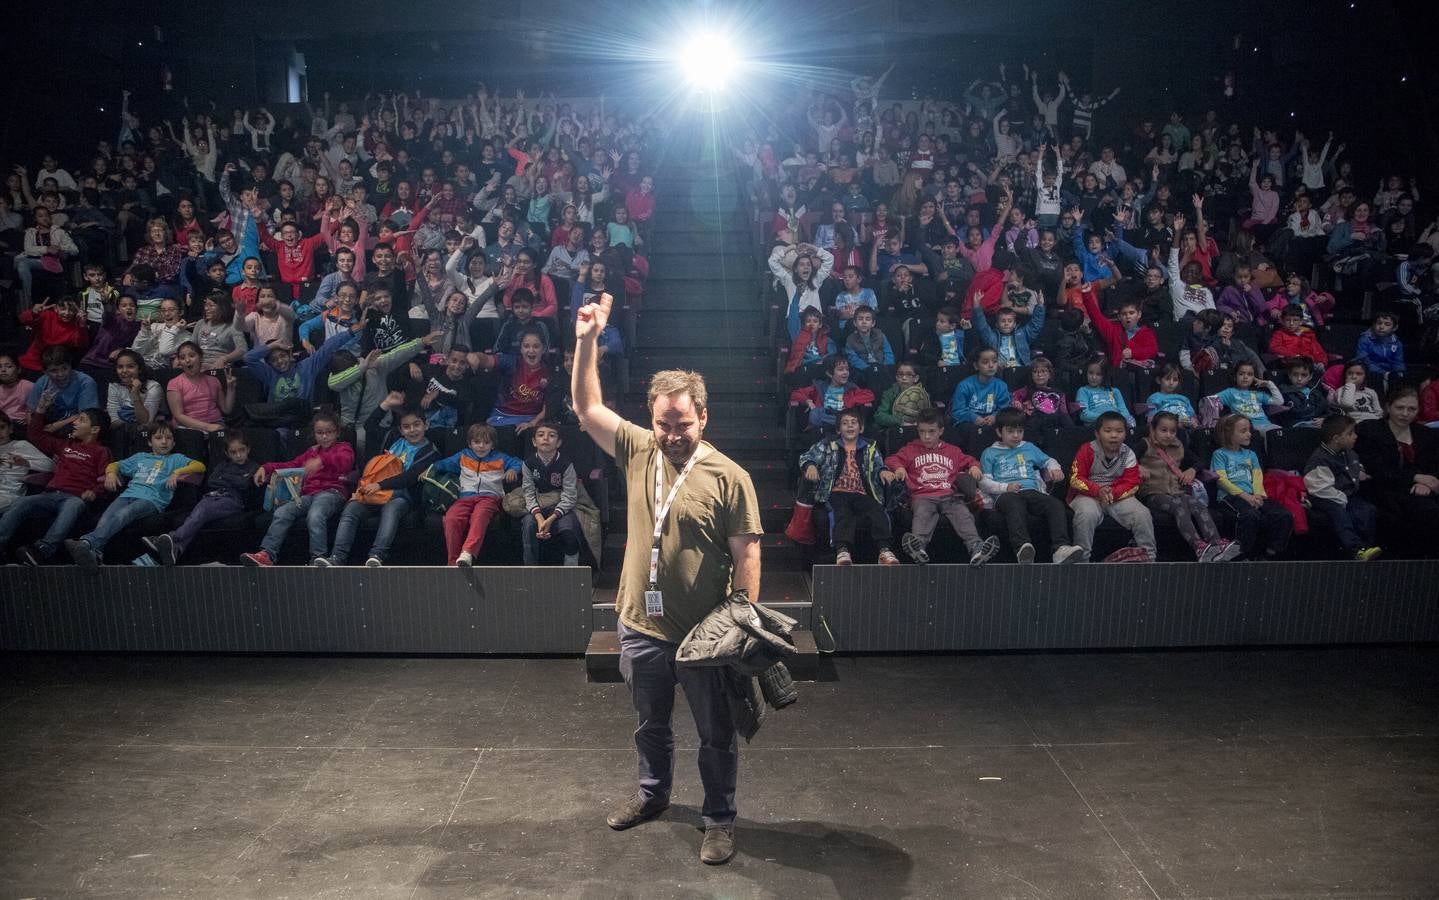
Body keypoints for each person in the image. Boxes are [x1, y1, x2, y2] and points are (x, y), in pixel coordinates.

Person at [571, 289, 763, 865]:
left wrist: (741, 624)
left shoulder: (729, 477)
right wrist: (587, 342)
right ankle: (653, 795)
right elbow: (586, 406)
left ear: (703, 417)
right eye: (663, 424)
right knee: (649, 724)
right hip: (641, 626)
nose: (672, 434)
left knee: (715, 735)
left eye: (682, 424)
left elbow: (748, 554)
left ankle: (718, 818)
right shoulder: (638, 450)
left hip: (705, 636)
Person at [65, 422, 205, 566]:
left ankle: (87, 542)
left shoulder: (176, 458)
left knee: (124, 513)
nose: (164, 442)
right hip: (127, 495)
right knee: (105, 519)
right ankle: (95, 553)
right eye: (158, 438)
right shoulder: (140, 457)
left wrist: (177, 472)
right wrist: (111, 474)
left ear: (174, 443)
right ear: (150, 442)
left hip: (152, 499)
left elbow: (200, 466)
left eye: (168, 438)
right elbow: (115, 465)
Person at [322, 398, 439, 567]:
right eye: (406, 427)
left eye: (417, 425)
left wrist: (379, 485)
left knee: (392, 508)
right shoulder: (393, 437)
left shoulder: (430, 452)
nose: (412, 430)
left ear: (426, 425)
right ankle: (337, 557)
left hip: (402, 496)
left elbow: (409, 477)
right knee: (352, 508)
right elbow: (370, 425)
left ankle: (377, 555)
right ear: (401, 430)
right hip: (374, 492)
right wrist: (386, 404)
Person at [884, 408, 998, 566]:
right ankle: (918, 548)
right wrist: (899, 467)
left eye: (931, 431)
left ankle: (976, 547)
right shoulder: (910, 449)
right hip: (922, 496)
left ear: (941, 431)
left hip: (949, 496)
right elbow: (891, 459)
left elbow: (970, 460)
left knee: (963, 514)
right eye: (922, 431)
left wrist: (974, 466)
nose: (926, 436)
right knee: (922, 514)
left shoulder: (952, 451)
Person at [241, 411, 355, 567]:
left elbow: (345, 461)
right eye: (320, 432)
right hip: (308, 495)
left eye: (329, 432)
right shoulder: (311, 452)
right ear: (314, 433)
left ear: (337, 432)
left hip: (332, 492)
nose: (324, 436)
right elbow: (291, 465)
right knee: (282, 512)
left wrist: (321, 460)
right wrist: (266, 467)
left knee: (315, 514)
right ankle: (267, 554)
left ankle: (317, 557)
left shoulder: (344, 448)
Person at [0, 404, 110, 565]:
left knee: (73, 505)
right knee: (22, 502)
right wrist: (40, 411)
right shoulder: (66, 445)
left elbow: (105, 478)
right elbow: (36, 436)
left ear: (94, 429)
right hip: (50, 494)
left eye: (81, 420)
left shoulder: (101, 451)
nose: (74, 422)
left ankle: (43, 549)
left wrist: (95, 492)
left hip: (75, 497)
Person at [978, 408, 1083, 564]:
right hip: (1005, 495)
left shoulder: (1028, 447)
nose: (1016, 435)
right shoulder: (990, 452)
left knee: (1055, 505)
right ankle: (1022, 548)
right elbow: (984, 483)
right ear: (999, 432)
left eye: (1020, 431)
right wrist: (1005, 488)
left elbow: (1049, 461)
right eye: (1010, 431)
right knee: (1015, 504)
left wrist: (1055, 469)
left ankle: (1061, 548)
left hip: (1031, 491)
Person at [796, 407, 897, 566]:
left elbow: (878, 465)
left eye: (853, 422)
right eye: (845, 423)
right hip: (836, 491)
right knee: (842, 512)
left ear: (861, 428)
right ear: (838, 429)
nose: (850, 426)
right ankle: (842, 549)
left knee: (877, 510)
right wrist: (810, 465)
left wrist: (883, 471)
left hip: (862, 492)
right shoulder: (828, 444)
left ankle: (884, 550)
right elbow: (806, 456)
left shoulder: (870, 447)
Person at [143, 432, 259, 566]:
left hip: (234, 500)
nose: (238, 455)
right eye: (233, 452)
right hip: (212, 496)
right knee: (197, 515)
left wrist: (224, 477)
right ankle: (176, 548)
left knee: (202, 512)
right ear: (227, 453)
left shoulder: (253, 466)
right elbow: (212, 481)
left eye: (242, 450)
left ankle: (173, 538)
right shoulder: (222, 465)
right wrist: (234, 479)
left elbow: (244, 484)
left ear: (248, 449)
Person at [1138, 412, 1237, 562]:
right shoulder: (1144, 444)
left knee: (1197, 504)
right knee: (1180, 507)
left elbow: (1200, 461)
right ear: (1152, 429)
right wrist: (1137, 467)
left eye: (1173, 431)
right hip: (1153, 493)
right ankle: (1198, 546)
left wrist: (1192, 470)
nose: (1168, 435)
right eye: (1163, 430)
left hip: (1177, 491)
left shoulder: (1178, 445)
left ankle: (1216, 544)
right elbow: (1125, 457)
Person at [1067, 411, 1157, 562]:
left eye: (1119, 431)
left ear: (1125, 434)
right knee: (1086, 514)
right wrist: (1098, 491)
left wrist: (1112, 493)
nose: (1114, 435)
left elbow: (1132, 483)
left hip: (1116, 495)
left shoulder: (1128, 453)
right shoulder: (1087, 450)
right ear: (1097, 434)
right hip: (1087, 494)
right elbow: (1075, 478)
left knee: (1142, 514)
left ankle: (1149, 558)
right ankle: (1082, 561)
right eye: (1108, 431)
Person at [430, 422, 523, 566]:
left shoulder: (500, 457)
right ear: (470, 444)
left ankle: (468, 552)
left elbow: (520, 463)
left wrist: (512, 470)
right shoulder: (463, 456)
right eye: (477, 442)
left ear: (493, 445)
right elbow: (441, 464)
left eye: (486, 442)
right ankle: (452, 561)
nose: (481, 446)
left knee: (479, 515)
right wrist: (429, 470)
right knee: (451, 518)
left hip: (490, 497)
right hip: (465, 497)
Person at [1355, 386, 1439, 540]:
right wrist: (1416, 477)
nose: (1405, 414)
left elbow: (1434, 465)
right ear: (1388, 407)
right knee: (1425, 510)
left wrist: (1427, 483)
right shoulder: (1370, 430)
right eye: (1400, 408)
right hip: (1383, 488)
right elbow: (1375, 468)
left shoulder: (1426, 434)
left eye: (1412, 409)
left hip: (1421, 489)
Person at [1211, 414, 1293, 559]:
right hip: (1230, 496)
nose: (1249, 434)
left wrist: (1258, 495)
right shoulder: (1220, 454)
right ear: (1229, 433)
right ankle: (1241, 555)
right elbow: (1221, 480)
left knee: (1283, 515)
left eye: (1249, 430)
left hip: (1253, 494)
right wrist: (1246, 496)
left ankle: (1270, 553)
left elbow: (1257, 476)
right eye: (1243, 431)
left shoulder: (1251, 454)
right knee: (1250, 515)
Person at [1303, 415, 1382, 561]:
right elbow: (1320, 488)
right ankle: (1355, 549)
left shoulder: (1349, 453)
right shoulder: (1320, 459)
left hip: (1347, 495)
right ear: (1336, 438)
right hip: (1325, 497)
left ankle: (1366, 547)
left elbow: (1356, 466)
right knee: (1339, 513)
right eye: (1350, 433)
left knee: (1367, 510)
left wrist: (1360, 473)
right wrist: (1342, 499)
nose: (1355, 436)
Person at [520, 420, 582, 567]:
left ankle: (571, 569)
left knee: (569, 528)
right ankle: (530, 568)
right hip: (538, 506)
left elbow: (569, 496)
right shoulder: (528, 464)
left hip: (560, 505)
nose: (546, 438)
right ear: (534, 442)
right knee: (528, 525)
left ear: (558, 443)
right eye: (541, 435)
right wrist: (540, 518)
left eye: (552, 435)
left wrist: (551, 518)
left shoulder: (566, 464)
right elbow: (528, 493)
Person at [0, 414, 54, 512]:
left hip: (9, 494)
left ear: (10, 429)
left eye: (2, 427)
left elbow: (51, 466)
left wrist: (26, 463)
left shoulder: (21, 446)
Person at [1355, 311, 1405, 387]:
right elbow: (1363, 360)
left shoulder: (1397, 343)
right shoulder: (1365, 339)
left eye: (1387, 324)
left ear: (1395, 328)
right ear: (1374, 324)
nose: (1381, 327)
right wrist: (1383, 373)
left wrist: (1399, 373)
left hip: (1389, 374)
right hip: (1371, 374)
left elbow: (1398, 362)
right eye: (1379, 323)